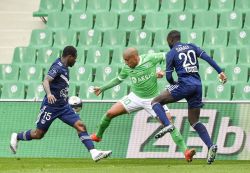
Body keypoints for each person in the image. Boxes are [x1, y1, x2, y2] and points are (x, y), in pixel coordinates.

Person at [91, 47, 196, 162]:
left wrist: (166, 71)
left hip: (153, 100)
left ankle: (186, 152)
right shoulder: (127, 68)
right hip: (135, 97)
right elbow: (118, 79)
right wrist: (102, 88)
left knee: (169, 123)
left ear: (135, 57)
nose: (125, 63)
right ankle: (98, 136)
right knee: (110, 113)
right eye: (124, 60)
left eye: (127, 60)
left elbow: (170, 56)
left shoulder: (150, 59)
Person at [9, 46, 112, 162]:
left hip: (63, 107)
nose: (75, 61)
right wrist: (49, 94)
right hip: (50, 106)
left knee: (80, 125)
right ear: (70, 56)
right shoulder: (57, 67)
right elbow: (46, 80)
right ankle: (16, 136)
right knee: (38, 134)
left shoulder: (65, 67)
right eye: (75, 58)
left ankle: (94, 152)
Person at [151, 30, 227, 164]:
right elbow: (208, 58)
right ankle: (211, 146)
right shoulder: (192, 46)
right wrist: (220, 72)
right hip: (198, 86)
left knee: (155, 102)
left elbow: (169, 76)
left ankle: (168, 125)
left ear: (170, 41)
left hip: (185, 84)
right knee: (194, 121)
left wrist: (174, 86)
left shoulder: (171, 53)